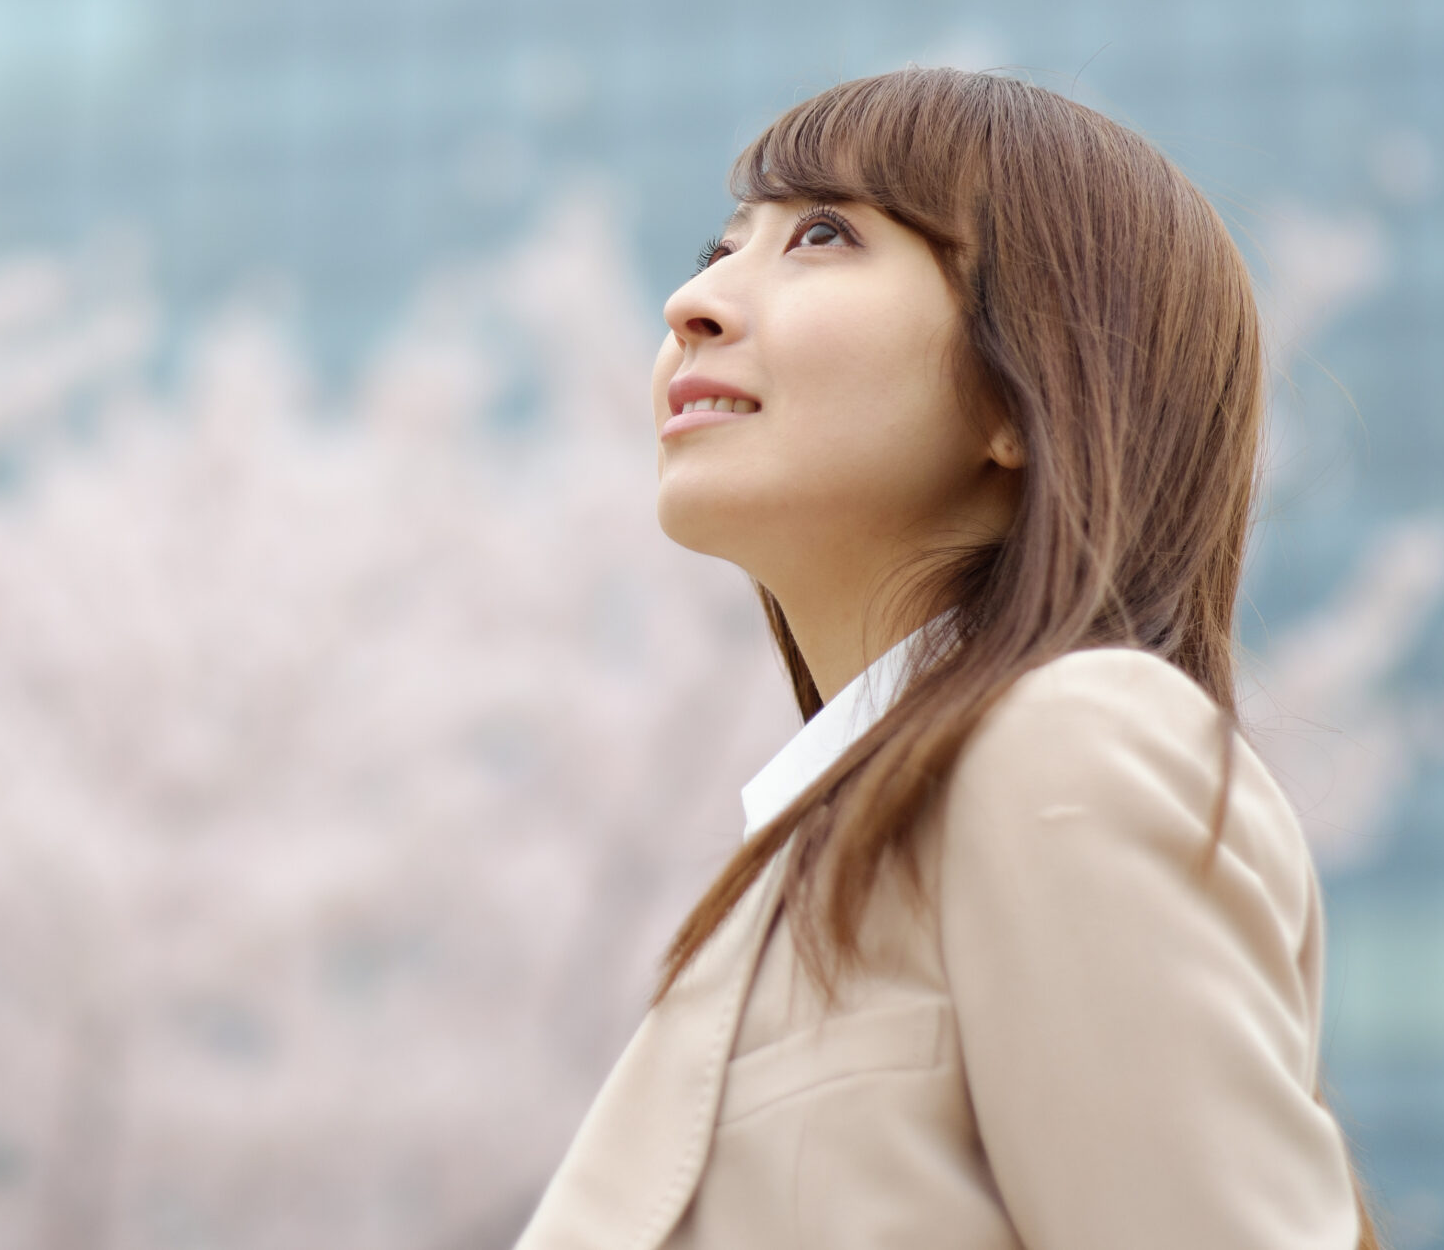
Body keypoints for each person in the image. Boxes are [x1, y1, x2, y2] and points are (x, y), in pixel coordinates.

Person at [517, 68, 1378, 1249]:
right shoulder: (809, 861)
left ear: (1023, 395)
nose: (691, 303)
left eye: (822, 234)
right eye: (719, 246)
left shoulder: (1065, 742)